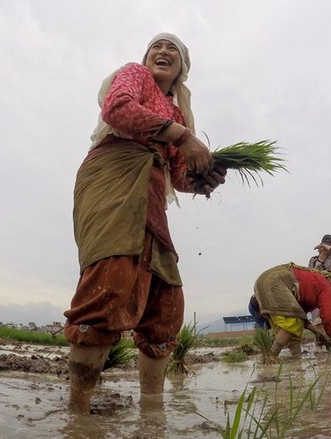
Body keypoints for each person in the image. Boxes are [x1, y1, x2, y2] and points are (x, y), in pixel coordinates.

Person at [63, 33, 226, 415]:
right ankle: (78, 413)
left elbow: (179, 175)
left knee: (166, 300)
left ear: (182, 68)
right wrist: (183, 137)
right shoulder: (135, 75)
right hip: (114, 174)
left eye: (173, 49)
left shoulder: (177, 113)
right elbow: (117, 109)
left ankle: (153, 411)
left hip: (152, 193)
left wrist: (203, 180)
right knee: (112, 277)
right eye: (157, 46)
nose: (163, 52)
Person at [251, 263, 331, 358]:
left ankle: (297, 360)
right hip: (275, 282)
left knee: (293, 328)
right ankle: (271, 357)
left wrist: (317, 333)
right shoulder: (326, 285)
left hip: (263, 282)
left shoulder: (313, 283)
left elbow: (301, 318)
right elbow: (328, 317)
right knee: (293, 323)